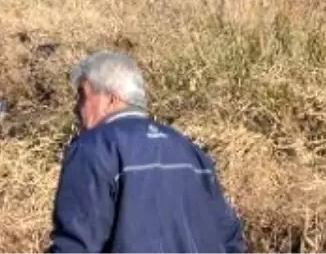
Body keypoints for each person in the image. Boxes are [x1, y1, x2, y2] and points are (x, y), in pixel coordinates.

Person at [47, 51, 246, 254]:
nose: (76, 108)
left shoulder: (93, 148)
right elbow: (229, 237)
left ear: (111, 100)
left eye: (82, 96)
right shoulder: (189, 150)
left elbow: (75, 244)